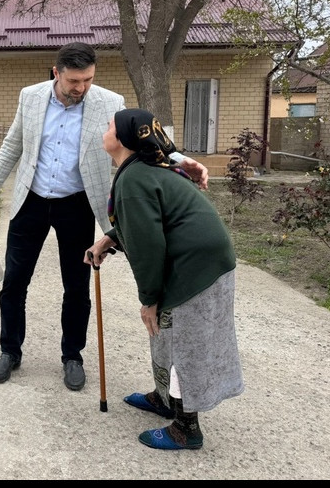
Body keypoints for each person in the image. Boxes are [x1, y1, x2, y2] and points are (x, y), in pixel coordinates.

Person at [0, 42, 209, 391]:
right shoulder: (30, 97)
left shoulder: (110, 103)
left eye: (88, 79)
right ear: (57, 73)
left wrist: (179, 161)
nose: (81, 87)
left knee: (77, 287)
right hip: (31, 201)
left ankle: (72, 356)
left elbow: (145, 139)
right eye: (73, 81)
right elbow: (13, 144)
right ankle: (10, 350)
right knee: (15, 283)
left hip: (77, 204)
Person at [86, 108, 244, 450]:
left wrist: (150, 300)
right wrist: (108, 239)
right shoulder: (144, 170)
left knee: (183, 341)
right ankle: (164, 397)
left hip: (197, 268)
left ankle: (187, 429)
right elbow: (146, 221)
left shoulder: (134, 178)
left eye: (111, 125)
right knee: (165, 334)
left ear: (125, 139)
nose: (105, 129)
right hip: (199, 258)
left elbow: (148, 246)